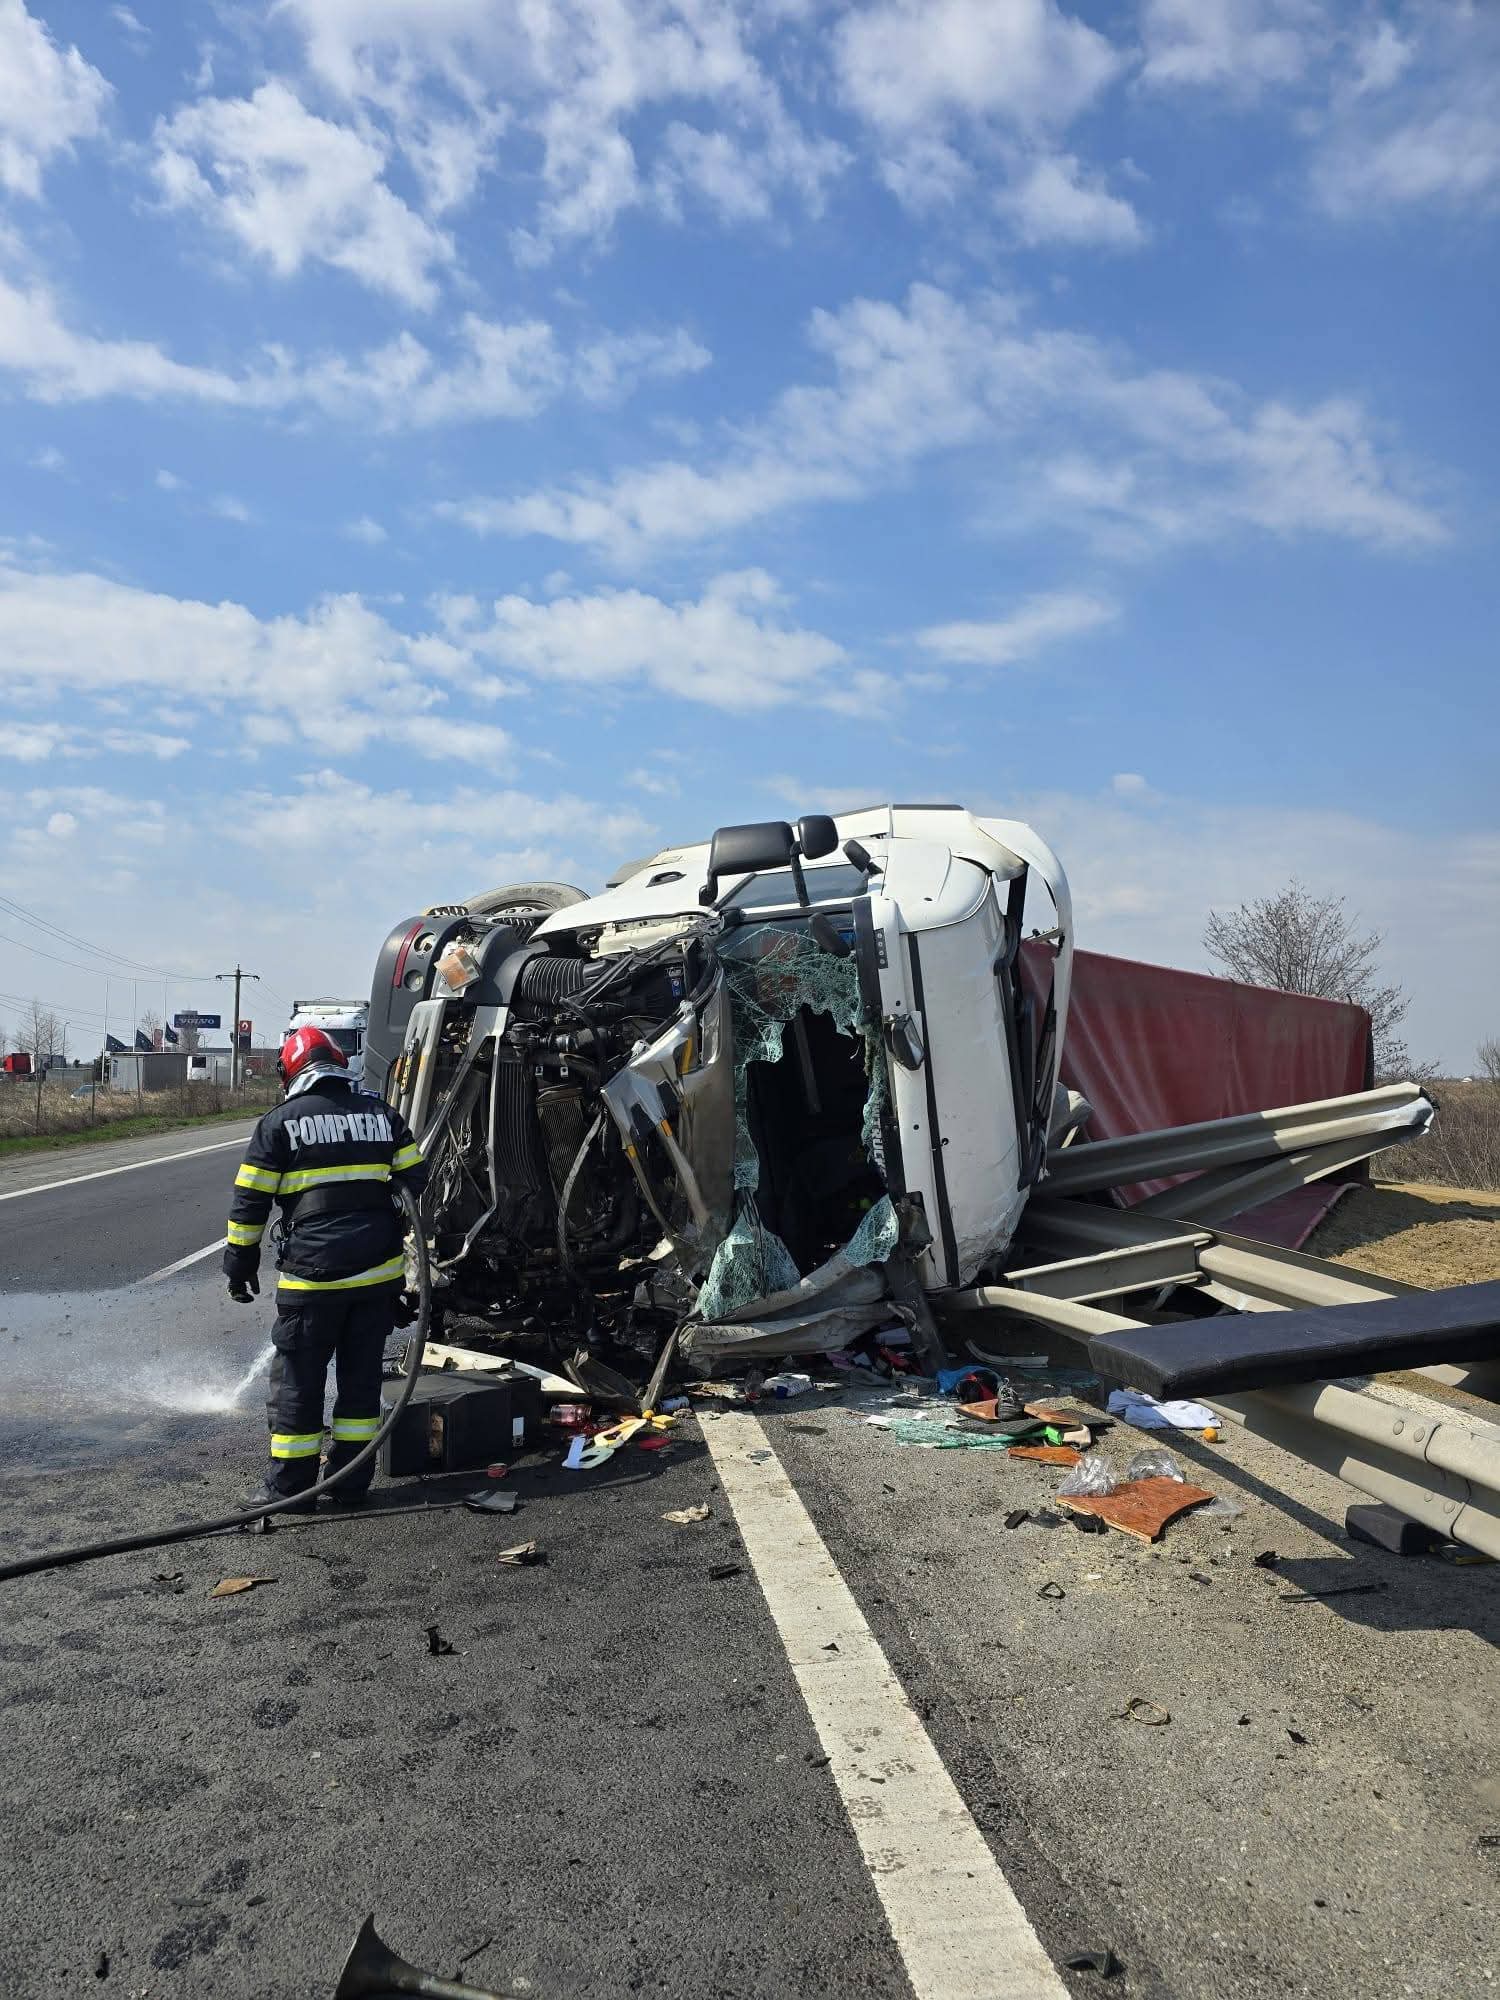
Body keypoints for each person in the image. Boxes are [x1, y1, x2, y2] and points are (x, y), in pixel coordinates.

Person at [224, 1024, 427, 1510]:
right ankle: (350, 1483)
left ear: (290, 1071)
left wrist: (240, 1263)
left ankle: (290, 1489)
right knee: (360, 1382)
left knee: (299, 1381)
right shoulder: (383, 1115)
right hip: (377, 1277)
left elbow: (250, 1202)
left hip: (312, 1281)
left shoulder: (279, 1124)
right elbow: (414, 1180)